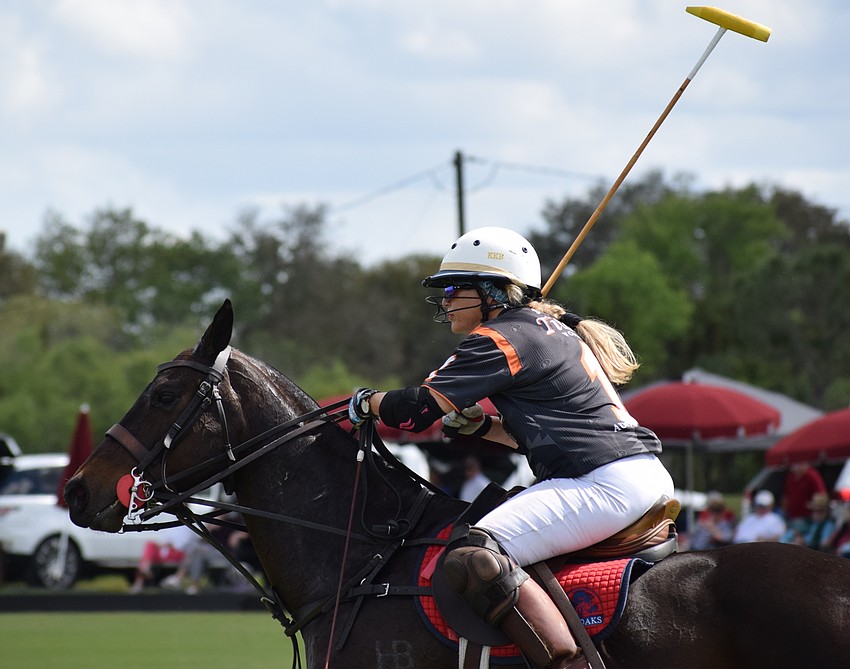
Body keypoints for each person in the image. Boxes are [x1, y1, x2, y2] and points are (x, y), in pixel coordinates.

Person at [347, 226, 674, 669]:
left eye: (453, 287)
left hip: (602, 482)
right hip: (634, 475)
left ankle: (569, 663)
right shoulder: (552, 330)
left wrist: (366, 402)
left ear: (491, 291)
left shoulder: (501, 337)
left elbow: (415, 410)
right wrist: (483, 427)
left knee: (475, 554)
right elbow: (542, 436)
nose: (445, 299)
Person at [129, 524, 195, 593]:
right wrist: (163, 545)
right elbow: (164, 540)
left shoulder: (187, 529)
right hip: (166, 551)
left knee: (150, 553)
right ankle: (144, 571)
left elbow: (181, 546)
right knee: (150, 545)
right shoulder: (172, 525)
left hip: (176, 553)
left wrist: (168, 545)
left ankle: (141, 577)